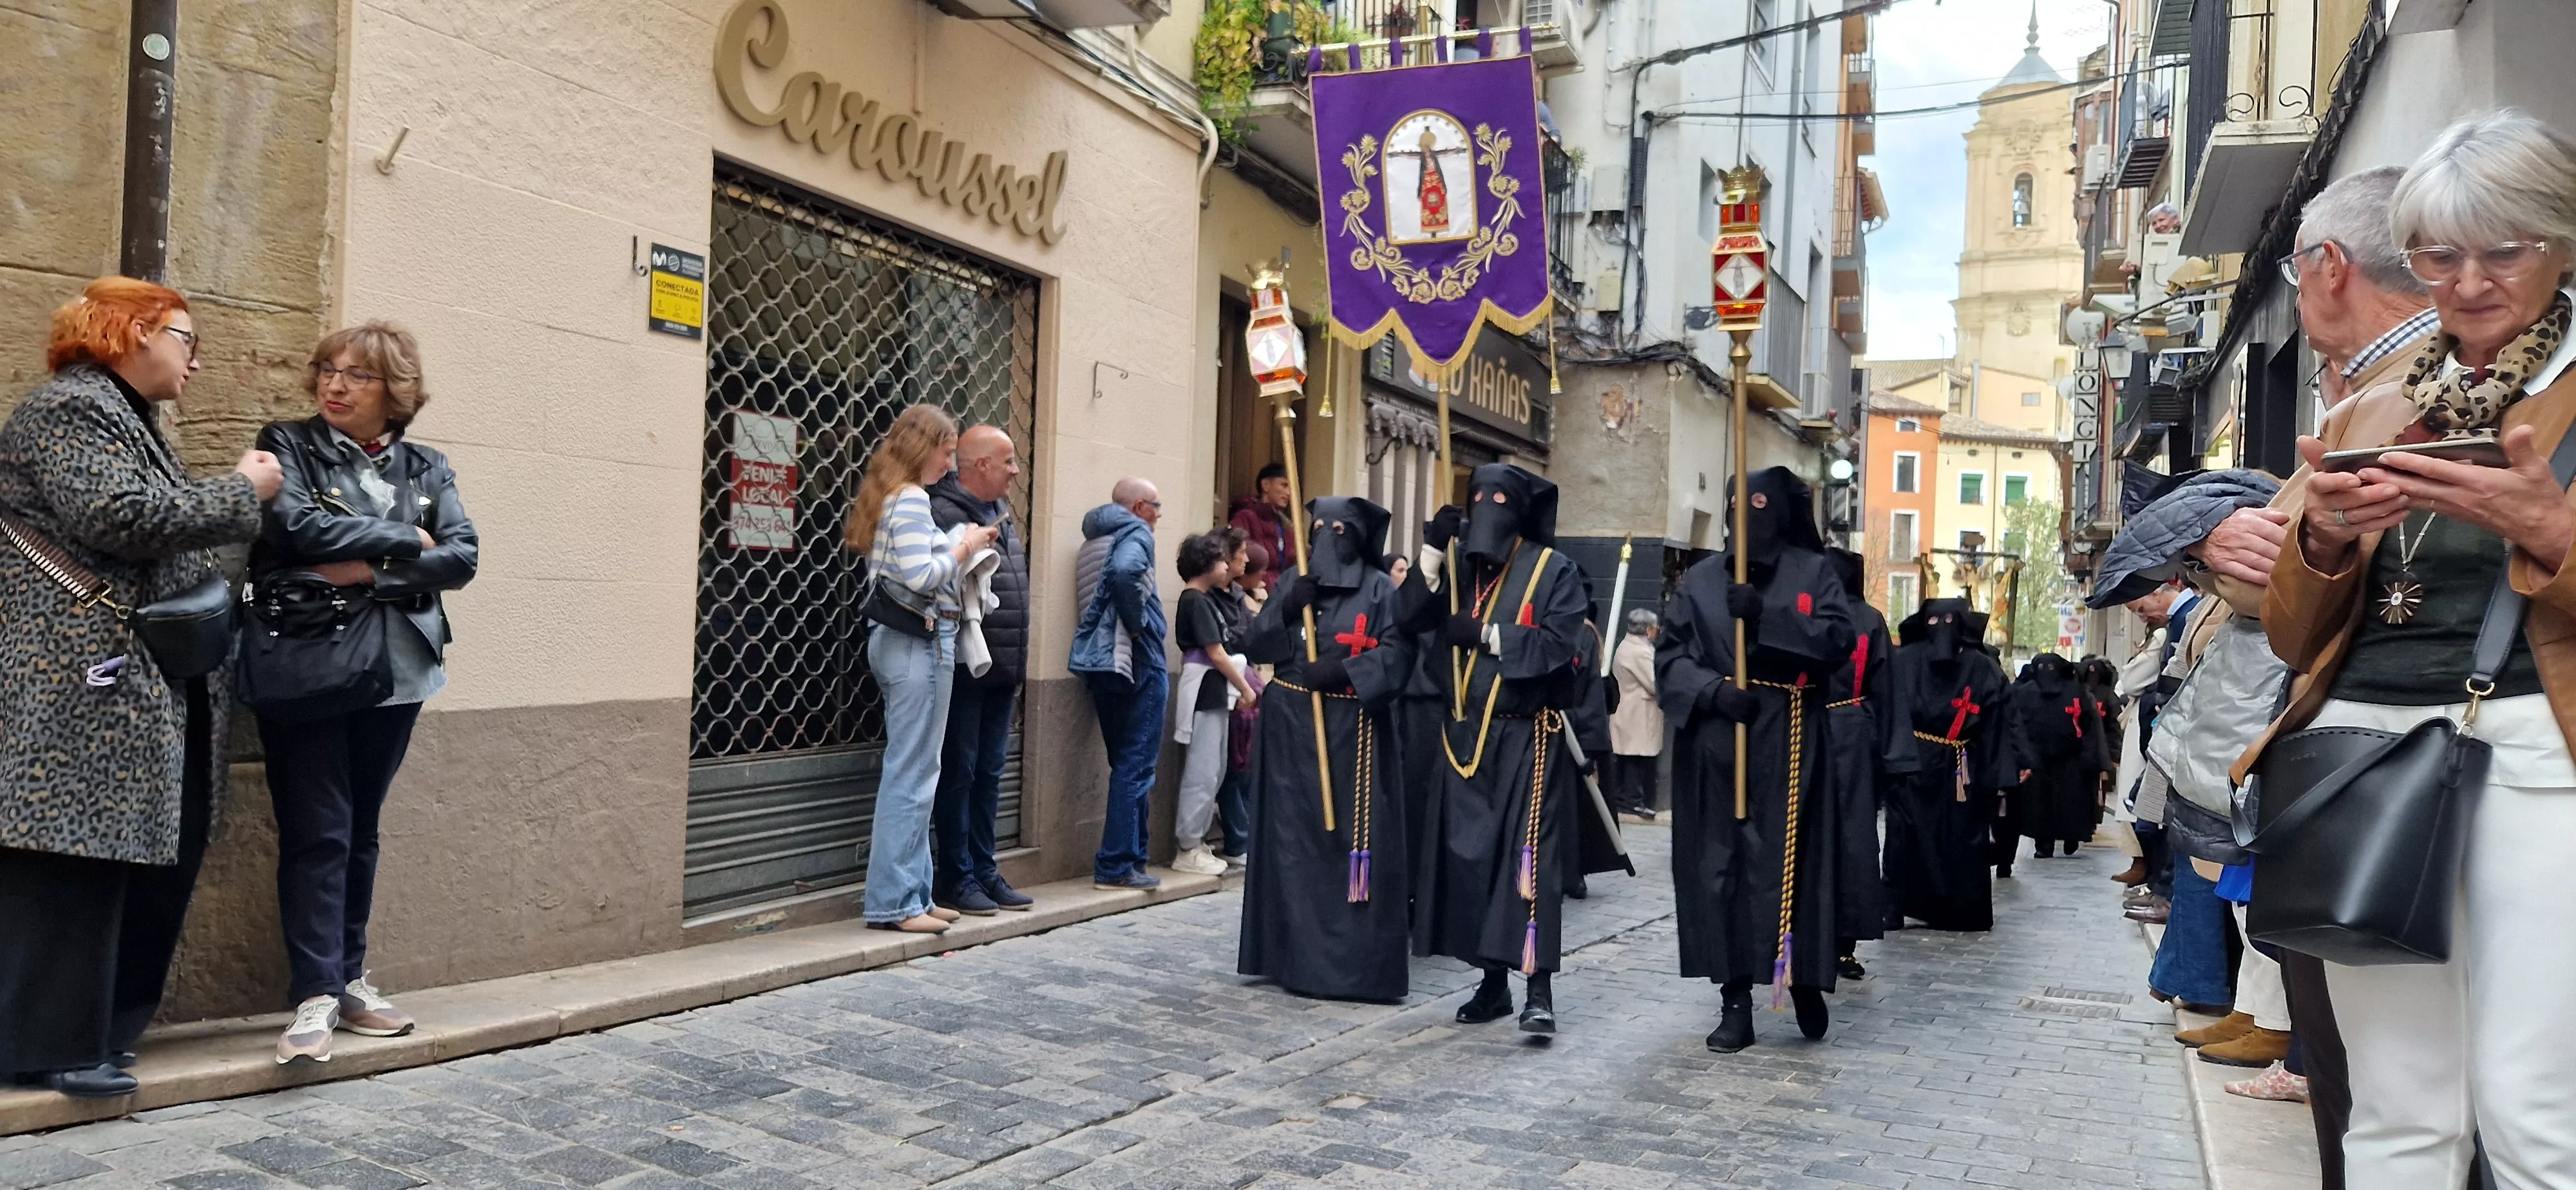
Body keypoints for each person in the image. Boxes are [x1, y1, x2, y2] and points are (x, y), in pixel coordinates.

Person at [2260, 110, 2576, 1188]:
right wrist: (2324, 538)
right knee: (2396, 1107)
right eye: (2440, 253)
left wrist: (2554, 534)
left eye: (2507, 248)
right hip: (2363, 761)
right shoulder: (2376, 405)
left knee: (2534, 1108)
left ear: (2564, 242)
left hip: (2543, 758)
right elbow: (2293, 632)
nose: (2470, 280)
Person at [0, 278, 278, 1097]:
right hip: (81, 678)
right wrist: (243, 493)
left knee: (150, 851)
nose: (197, 357)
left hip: (135, 678)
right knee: (71, 858)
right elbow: (119, 517)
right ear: (132, 331)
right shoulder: (70, 409)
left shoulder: (126, 415)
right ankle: (44, 1046)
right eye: (187, 338)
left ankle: (103, 1032)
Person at [250, 322, 480, 1064]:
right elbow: (293, 529)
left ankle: (348, 979)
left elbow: (463, 556)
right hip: (311, 660)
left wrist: (370, 572)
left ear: (397, 392)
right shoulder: (288, 444)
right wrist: (404, 540)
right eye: (328, 370)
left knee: (362, 829)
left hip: (400, 667)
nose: (335, 385)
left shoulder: (427, 464)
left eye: (358, 376)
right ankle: (314, 993)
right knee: (320, 828)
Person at [1656, 468, 1859, 1050]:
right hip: (1720, 742)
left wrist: (1767, 618)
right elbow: (1669, 656)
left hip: (1793, 741)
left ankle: (1803, 977)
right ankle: (1735, 997)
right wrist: (1711, 691)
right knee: (1723, 871)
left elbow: (1837, 642)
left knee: (1792, 867)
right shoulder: (1698, 582)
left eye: (1761, 508)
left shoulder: (1813, 572)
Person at [1401, 465, 1604, 1034]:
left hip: (1526, 740)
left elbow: (1562, 644)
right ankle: (1491, 985)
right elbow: (1407, 618)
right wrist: (1432, 554)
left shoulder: (1552, 569)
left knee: (1527, 866)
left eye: (1499, 500)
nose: (1486, 508)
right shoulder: (1459, 567)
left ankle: (1538, 989)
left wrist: (1490, 637)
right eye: (1477, 499)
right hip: (1463, 738)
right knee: (1473, 867)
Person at [1236, 497, 1416, 1000]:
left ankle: (1349, 964)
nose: (1329, 535)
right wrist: (1287, 607)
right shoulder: (1296, 580)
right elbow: (1257, 644)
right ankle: (1289, 955)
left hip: (1354, 732)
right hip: (1292, 725)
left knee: (1348, 843)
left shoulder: (1381, 589)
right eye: (1319, 527)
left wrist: (1345, 671)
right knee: (1292, 843)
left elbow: (1401, 655)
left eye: (1341, 527)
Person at [847, 404, 999, 935]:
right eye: (948, 448)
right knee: (912, 775)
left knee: (917, 772)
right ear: (925, 447)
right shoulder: (911, 499)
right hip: (918, 643)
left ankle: (915, 893)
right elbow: (922, 575)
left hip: (908, 643)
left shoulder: (895, 495)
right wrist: (965, 547)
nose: (952, 461)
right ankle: (895, 902)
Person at [927, 425, 1032, 916]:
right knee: (960, 772)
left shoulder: (998, 514)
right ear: (982, 465)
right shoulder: (944, 513)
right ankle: (957, 876)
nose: (1015, 470)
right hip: (967, 664)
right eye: (1008, 461)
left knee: (990, 771)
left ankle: (986, 870)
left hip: (1001, 663)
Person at [1879, 600, 2016, 934]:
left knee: (1959, 837)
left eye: (1950, 619)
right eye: (1935, 619)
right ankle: (1895, 906)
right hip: (1915, 763)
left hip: (1959, 766)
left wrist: (1999, 777)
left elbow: (1998, 721)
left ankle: (1957, 910)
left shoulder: (1981, 667)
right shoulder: (1905, 662)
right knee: (1904, 837)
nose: (1942, 627)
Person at [1073, 477, 1167, 892]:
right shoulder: (1135, 533)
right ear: (1140, 507)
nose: (1160, 515)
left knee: (1125, 764)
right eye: (1157, 506)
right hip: (1138, 660)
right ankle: (1116, 865)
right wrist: (1140, 623)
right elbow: (1127, 572)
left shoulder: (1096, 537)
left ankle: (1132, 857)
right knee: (1136, 766)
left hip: (1103, 665)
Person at [1824, 547, 1903, 981]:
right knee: (1847, 840)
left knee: (1847, 841)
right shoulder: (1869, 620)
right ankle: (1835, 945)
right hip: (1852, 733)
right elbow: (1887, 692)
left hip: (1834, 732)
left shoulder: (1864, 620)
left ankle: (1836, 943)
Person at [1171, 531, 1258, 877]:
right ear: (1206, 565)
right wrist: (1246, 690)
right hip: (1206, 688)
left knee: (1216, 768)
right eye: (1222, 560)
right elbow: (1217, 653)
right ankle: (1188, 845)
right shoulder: (1195, 600)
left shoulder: (1204, 600)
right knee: (1203, 770)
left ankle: (1197, 839)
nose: (1227, 566)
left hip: (1214, 689)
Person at [1996, 654, 2107, 869]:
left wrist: (2089, 755)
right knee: (2040, 805)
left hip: (2070, 757)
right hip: (2037, 758)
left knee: (2069, 801)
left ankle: (2069, 836)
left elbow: (2087, 724)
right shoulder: (2024, 693)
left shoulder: (2077, 693)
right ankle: (2044, 842)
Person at [1608, 609, 1664, 822]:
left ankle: (1626, 799)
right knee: (1635, 757)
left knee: (1628, 757)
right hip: (1638, 713)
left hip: (1630, 711)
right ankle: (1632, 801)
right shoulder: (1640, 651)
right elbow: (1654, 683)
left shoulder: (1628, 645)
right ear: (1648, 629)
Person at [1229, 462, 1293, 571]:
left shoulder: (1286, 525)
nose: (1289, 493)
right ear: (1266, 485)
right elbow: (1238, 555)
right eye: (1284, 485)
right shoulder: (1245, 518)